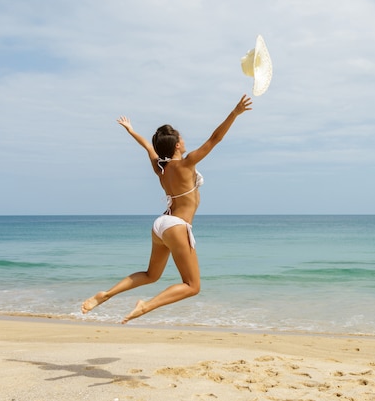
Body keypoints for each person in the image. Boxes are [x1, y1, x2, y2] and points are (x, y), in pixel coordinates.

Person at [81, 94, 253, 323]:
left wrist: (131, 130)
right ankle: (145, 306)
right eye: (182, 138)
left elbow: (146, 147)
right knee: (192, 286)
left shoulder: (160, 168)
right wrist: (234, 113)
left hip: (161, 225)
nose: (184, 140)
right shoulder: (187, 162)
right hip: (176, 225)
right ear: (178, 144)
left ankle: (106, 294)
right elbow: (214, 139)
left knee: (151, 275)